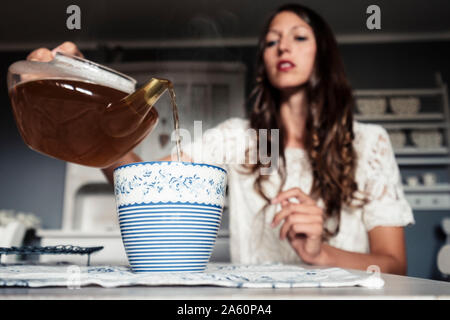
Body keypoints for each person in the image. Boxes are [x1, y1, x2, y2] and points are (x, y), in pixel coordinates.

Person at [28, 3, 414, 274]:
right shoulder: (236, 137)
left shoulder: (369, 143)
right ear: (263, 61)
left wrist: (321, 252)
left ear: (325, 56)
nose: (282, 46)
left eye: (299, 37)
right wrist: (89, 124)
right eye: (271, 40)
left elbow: (394, 265)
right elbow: (147, 184)